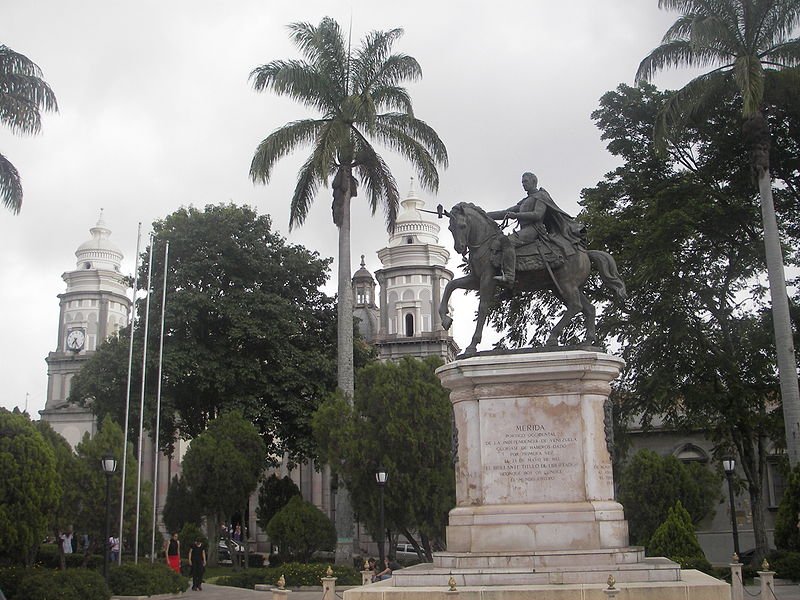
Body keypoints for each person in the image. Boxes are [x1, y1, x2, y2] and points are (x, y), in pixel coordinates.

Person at [486, 172, 585, 285]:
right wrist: (485, 215)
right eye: (522, 182)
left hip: (533, 230)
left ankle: (509, 276)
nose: (523, 184)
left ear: (533, 182)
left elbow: (538, 214)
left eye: (525, 181)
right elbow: (505, 212)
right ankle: (510, 288)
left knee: (508, 242)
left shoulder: (540, 196)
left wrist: (516, 215)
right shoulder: (526, 200)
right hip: (524, 230)